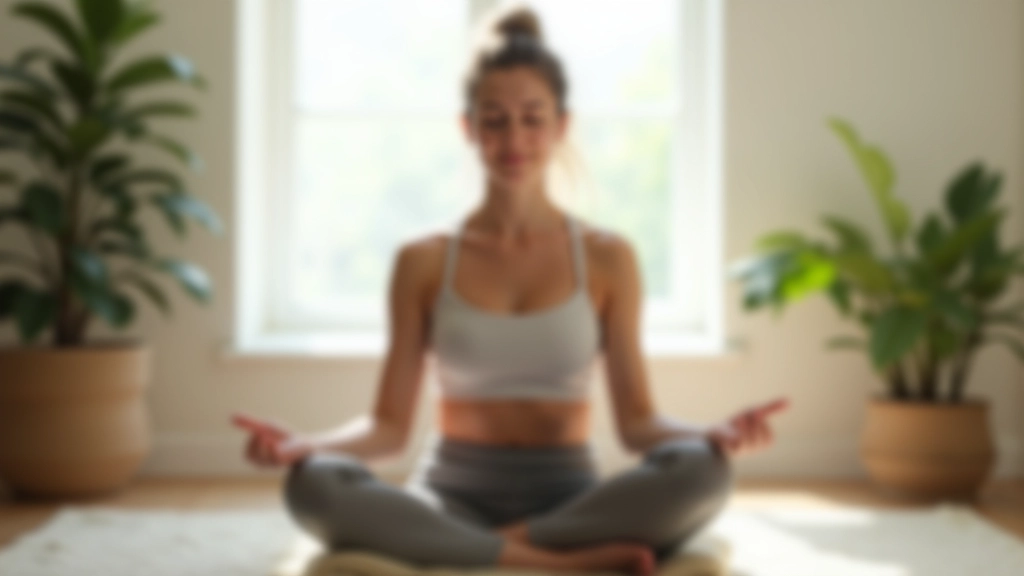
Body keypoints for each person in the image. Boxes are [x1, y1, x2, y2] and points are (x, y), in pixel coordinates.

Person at [232, 3, 790, 575]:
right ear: (468, 128)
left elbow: (639, 423)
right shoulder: (422, 260)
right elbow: (388, 429)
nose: (514, 139)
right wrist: (306, 445)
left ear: (562, 126)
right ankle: (560, 565)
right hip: (449, 497)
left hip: (571, 501)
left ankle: (478, 549)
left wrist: (712, 433)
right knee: (313, 482)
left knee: (704, 471)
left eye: (532, 118)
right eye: (494, 120)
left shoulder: (608, 257)